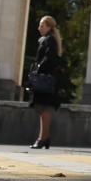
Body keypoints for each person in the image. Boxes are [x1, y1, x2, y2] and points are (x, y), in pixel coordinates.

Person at [27, 15, 62, 149]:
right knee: (43, 108)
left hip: (45, 79)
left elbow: (49, 58)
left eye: (42, 25)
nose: (39, 28)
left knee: (46, 108)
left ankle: (43, 138)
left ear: (49, 27)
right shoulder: (47, 39)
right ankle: (43, 138)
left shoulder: (49, 40)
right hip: (46, 77)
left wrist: (38, 69)